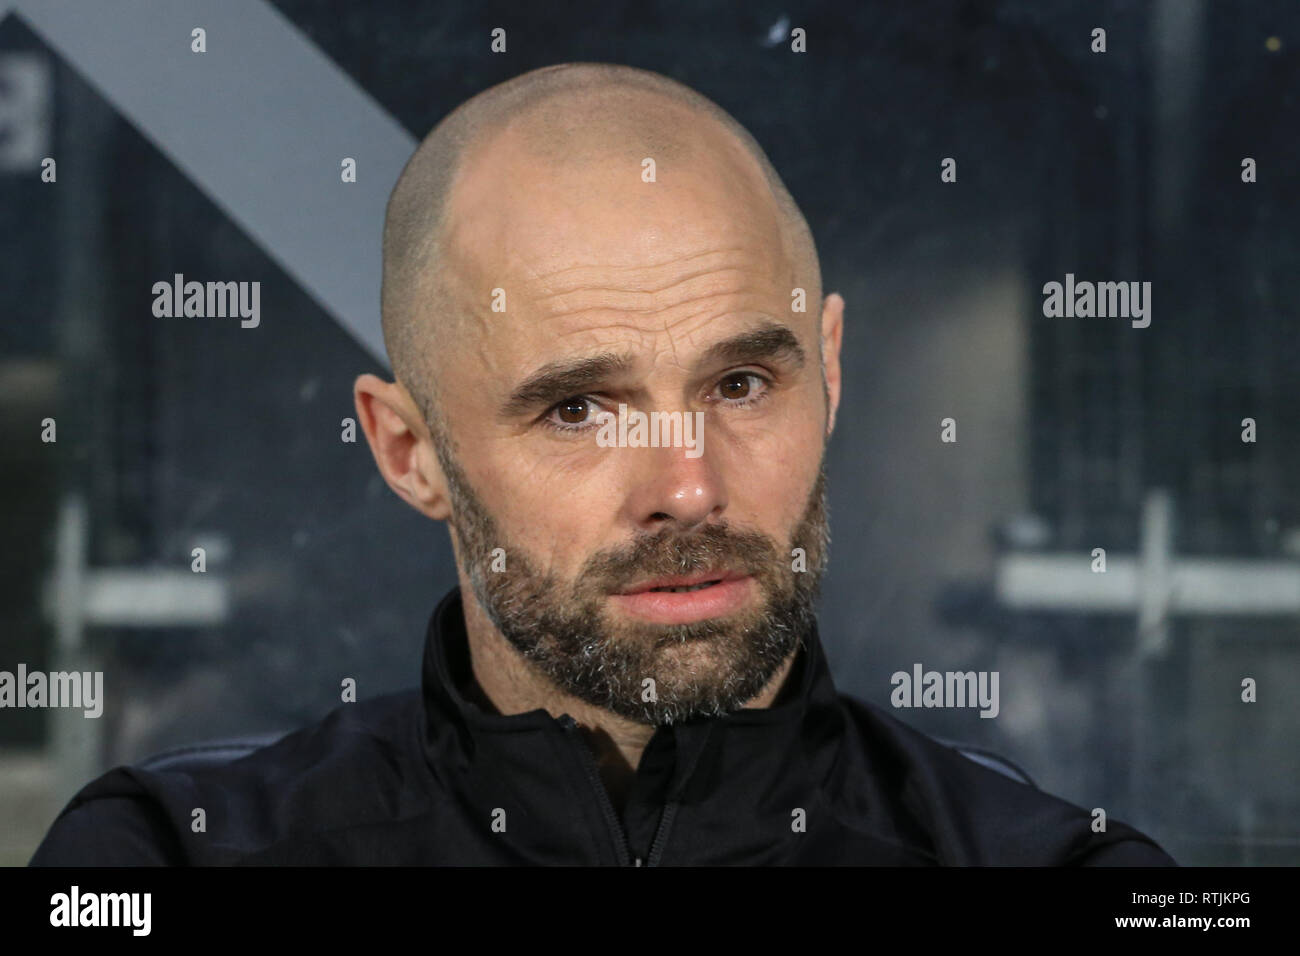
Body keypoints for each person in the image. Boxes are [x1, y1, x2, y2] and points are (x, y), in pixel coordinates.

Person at [31, 62, 1174, 866]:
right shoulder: (161, 858)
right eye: (579, 407)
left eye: (740, 384)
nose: (687, 485)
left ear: (825, 369)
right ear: (408, 449)